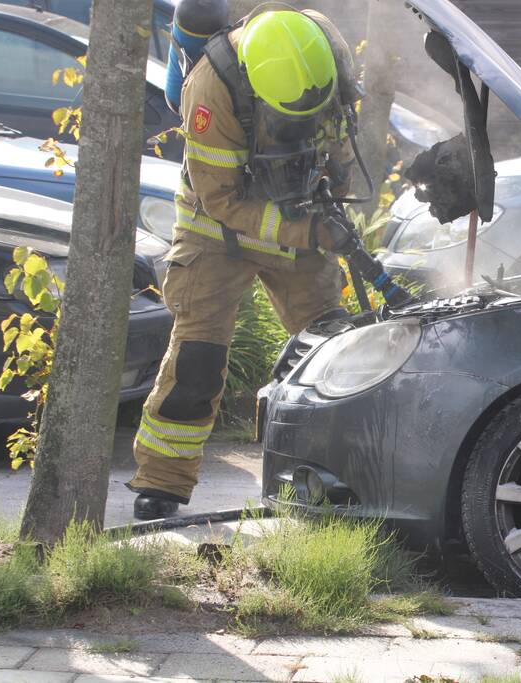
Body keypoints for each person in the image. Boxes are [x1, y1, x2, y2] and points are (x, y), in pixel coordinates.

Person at [128, 5, 359, 520]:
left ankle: (338, 478)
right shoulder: (210, 88)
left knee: (336, 349)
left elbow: (340, 138)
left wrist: (335, 197)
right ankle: (161, 485)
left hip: (302, 218)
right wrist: (309, 231)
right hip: (215, 236)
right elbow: (223, 202)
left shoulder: (326, 51)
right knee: (197, 363)